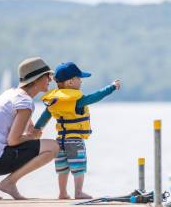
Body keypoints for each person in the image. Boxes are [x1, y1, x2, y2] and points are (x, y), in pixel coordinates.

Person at [0, 57, 60, 200]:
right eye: (48, 76)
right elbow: (14, 141)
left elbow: (27, 128)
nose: (51, 80)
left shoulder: (10, 94)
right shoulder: (25, 102)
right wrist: (32, 137)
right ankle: (9, 183)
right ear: (37, 79)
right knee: (53, 147)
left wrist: (32, 134)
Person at [35, 62, 121, 199]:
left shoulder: (54, 101)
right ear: (70, 82)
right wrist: (111, 87)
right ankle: (78, 192)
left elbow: (43, 118)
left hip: (60, 140)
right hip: (74, 140)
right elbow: (96, 96)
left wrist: (36, 130)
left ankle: (62, 193)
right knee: (78, 167)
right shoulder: (76, 101)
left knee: (62, 168)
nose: (81, 81)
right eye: (79, 78)